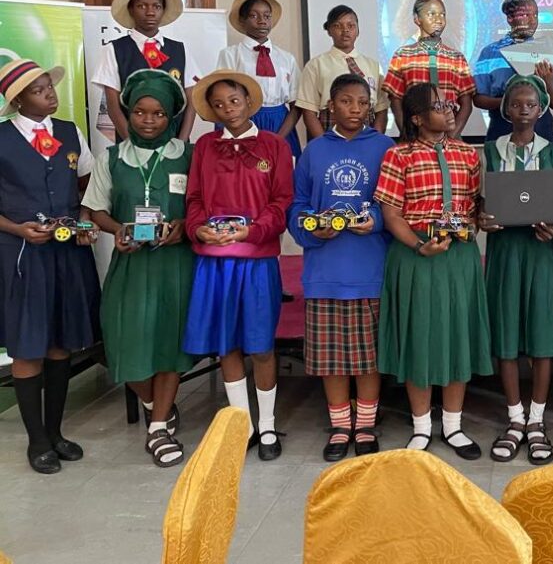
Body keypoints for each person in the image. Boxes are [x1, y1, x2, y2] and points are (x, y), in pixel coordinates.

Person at [82, 69, 195, 468]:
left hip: (176, 266)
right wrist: (118, 229)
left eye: (159, 113)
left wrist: (184, 226)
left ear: (172, 116)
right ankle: (152, 402)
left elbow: (203, 206)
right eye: (140, 112)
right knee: (124, 342)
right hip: (130, 263)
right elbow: (94, 210)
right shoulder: (112, 158)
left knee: (170, 343)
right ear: (127, 113)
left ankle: (158, 427)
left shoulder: (189, 155)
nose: (149, 120)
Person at [374, 82, 492, 459]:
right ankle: (422, 427)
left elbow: (475, 207)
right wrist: (418, 245)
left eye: (451, 104)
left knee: (457, 337)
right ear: (416, 118)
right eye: (440, 106)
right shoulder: (398, 156)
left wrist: (484, 219)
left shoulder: (468, 154)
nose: (451, 110)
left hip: (459, 256)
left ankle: (453, 426)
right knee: (419, 338)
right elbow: (391, 213)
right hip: (416, 255)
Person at [181, 70, 294, 461]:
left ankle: (268, 424)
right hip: (214, 262)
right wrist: (198, 229)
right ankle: (241, 425)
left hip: (257, 260)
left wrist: (253, 231)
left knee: (260, 346)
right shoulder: (205, 147)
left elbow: (281, 202)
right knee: (226, 343)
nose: (228, 109)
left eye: (233, 100)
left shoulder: (273, 146)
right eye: (218, 104)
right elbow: (194, 199)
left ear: (248, 101)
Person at [0, 59, 99, 474]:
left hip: (67, 252)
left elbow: (87, 187)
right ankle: (37, 441)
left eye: (50, 87)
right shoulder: (2, 138)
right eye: (39, 90)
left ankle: (56, 432)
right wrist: (17, 228)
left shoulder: (69, 132)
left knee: (62, 342)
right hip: (23, 254)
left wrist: (85, 222)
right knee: (29, 345)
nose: (50, 95)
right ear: (18, 100)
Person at [289, 73, 393, 461]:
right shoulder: (314, 151)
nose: (355, 109)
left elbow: (394, 204)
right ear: (330, 106)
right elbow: (297, 206)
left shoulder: (385, 148)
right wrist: (312, 228)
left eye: (363, 103)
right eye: (347, 101)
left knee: (368, 359)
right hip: (324, 272)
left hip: (370, 270)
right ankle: (339, 426)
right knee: (331, 360)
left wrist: (376, 221)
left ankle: (364, 425)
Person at [478, 74, 553, 465]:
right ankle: (515, 418)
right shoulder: (490, 150)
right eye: (515, 104)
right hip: (505, 249)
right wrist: (483, 220)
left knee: (542, 334)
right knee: (507, 334)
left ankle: (537, 420)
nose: (523, 111)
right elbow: (480, 204)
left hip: (540, 249)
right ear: (505, 109)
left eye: (531, 104)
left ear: (541, 109)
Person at [92, 0, 202, 141]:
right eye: (142, 6)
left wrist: (181, 142)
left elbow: (191, 103)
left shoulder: (180, 50)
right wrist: (133, 146)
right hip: (131, 143)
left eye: (156, 6)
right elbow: (113, 108)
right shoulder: (114, 50)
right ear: (131, 10)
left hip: (174, 142)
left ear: (163, 10)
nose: (150, 12)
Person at [472, 0, 553, 142]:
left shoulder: (548, 51)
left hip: (541, 135)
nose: (532, 20)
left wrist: (548, 83)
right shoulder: (490, 52)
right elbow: (478, 99)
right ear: (510, 18)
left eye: (535, 15)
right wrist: (510, 103)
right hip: (501, 134)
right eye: (526, 15)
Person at [217, 0, 302, 157]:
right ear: (242, 20)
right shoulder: (230, 55)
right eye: (254, 16)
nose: (262, 21)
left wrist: (279, 137)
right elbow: (222, 97)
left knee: (280, 168)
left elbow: (296, 105)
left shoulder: (286, 58)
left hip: (281, 125)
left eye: (267, 16)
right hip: (243, 123)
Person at [383, 0, 476, 136]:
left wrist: (452, 137)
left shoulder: (456, 58)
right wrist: (407, 133)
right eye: (431, 14)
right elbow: (395, 99)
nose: (438, 19)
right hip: (415, 133)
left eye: (442, 14)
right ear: (417, 19)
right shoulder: (403, 55)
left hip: (449, 134)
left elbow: (467, 103)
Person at [296, 5, 389, 138]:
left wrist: (375, 140)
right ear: (329, 30)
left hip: (367, 133)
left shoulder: (373, 65)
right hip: (329, 132)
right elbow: (308, 111)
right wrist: (323, 144)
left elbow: (381, 109)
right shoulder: (315, 65)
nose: (345, 30)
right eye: (338, 26)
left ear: (358, 30)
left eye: (351, 26)